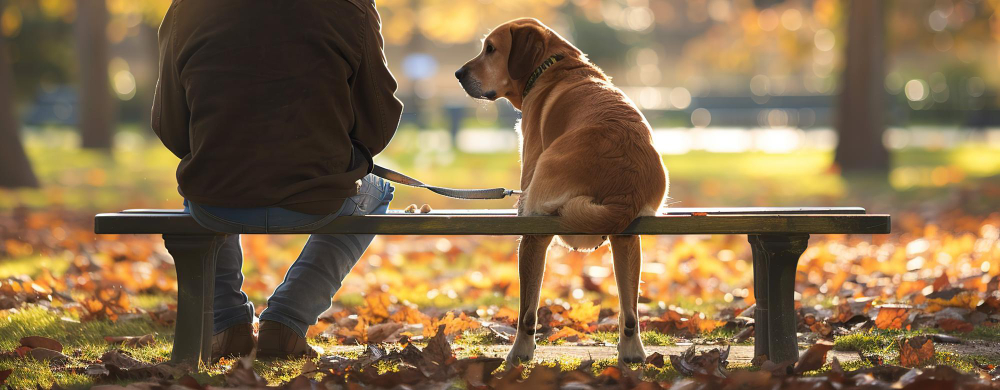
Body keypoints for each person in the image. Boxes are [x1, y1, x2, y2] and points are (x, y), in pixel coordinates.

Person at [151, 0, 402, 359]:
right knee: (377, 192)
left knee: (205, 181)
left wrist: (211, 150)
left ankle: (228, 326)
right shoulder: (351, 6)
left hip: (215, 194)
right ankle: (287, 321)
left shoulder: (187, 7)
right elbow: (378, 116)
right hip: (319, 194)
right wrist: (347, 155)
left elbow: (169, 122)